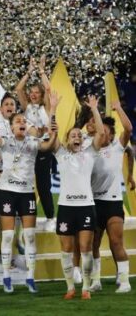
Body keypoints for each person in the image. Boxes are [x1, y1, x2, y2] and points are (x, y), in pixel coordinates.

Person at [0, 93, 59, 294]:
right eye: (18, 121)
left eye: (24, 121)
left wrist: (54, 117)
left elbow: (49, 145)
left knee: (30, 237)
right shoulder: (6, 141)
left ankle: (30, 278)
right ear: (11, 127)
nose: (22, 123)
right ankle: (7, 278)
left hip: (26, 194)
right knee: (7, 237)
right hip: (7, 193)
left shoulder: (33, 143)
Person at [53, 95, 104, 300]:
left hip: (85, 206)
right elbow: (52, 132)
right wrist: (53, 109)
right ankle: (70, 288)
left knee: (85, 248)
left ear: (82, 140)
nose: (76, 137)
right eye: (73, 135)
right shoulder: (61, 154)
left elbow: (100, 132)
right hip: (66, 207)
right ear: (67, 140)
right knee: (66, 249)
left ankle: (85, 287)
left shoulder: (90, 153)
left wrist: (94, 109)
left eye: (79, 136)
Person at [90, 101, 133, 293]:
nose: (102, 132)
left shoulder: (117, 147)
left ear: (112, 134)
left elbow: (129, 128)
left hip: (113, 202)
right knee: (94, 243)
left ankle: (124, 281)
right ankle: (95, 280)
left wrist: (118, 108)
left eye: (105, 130)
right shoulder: (90, 148)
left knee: (116, 242)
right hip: (93, 203)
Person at [15, 56, 56, 231]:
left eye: (36, 92)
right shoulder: (27, 108)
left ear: (41, 95)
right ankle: (22, 215)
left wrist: (41, 71)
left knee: (43, 185)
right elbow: (18, 88)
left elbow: (48, 87)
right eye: (31, 92)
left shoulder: (46, 107)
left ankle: (50, 218)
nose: (32, 94)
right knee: (24, 182)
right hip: (27, 149)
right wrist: (29, 72)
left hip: (44, 149)